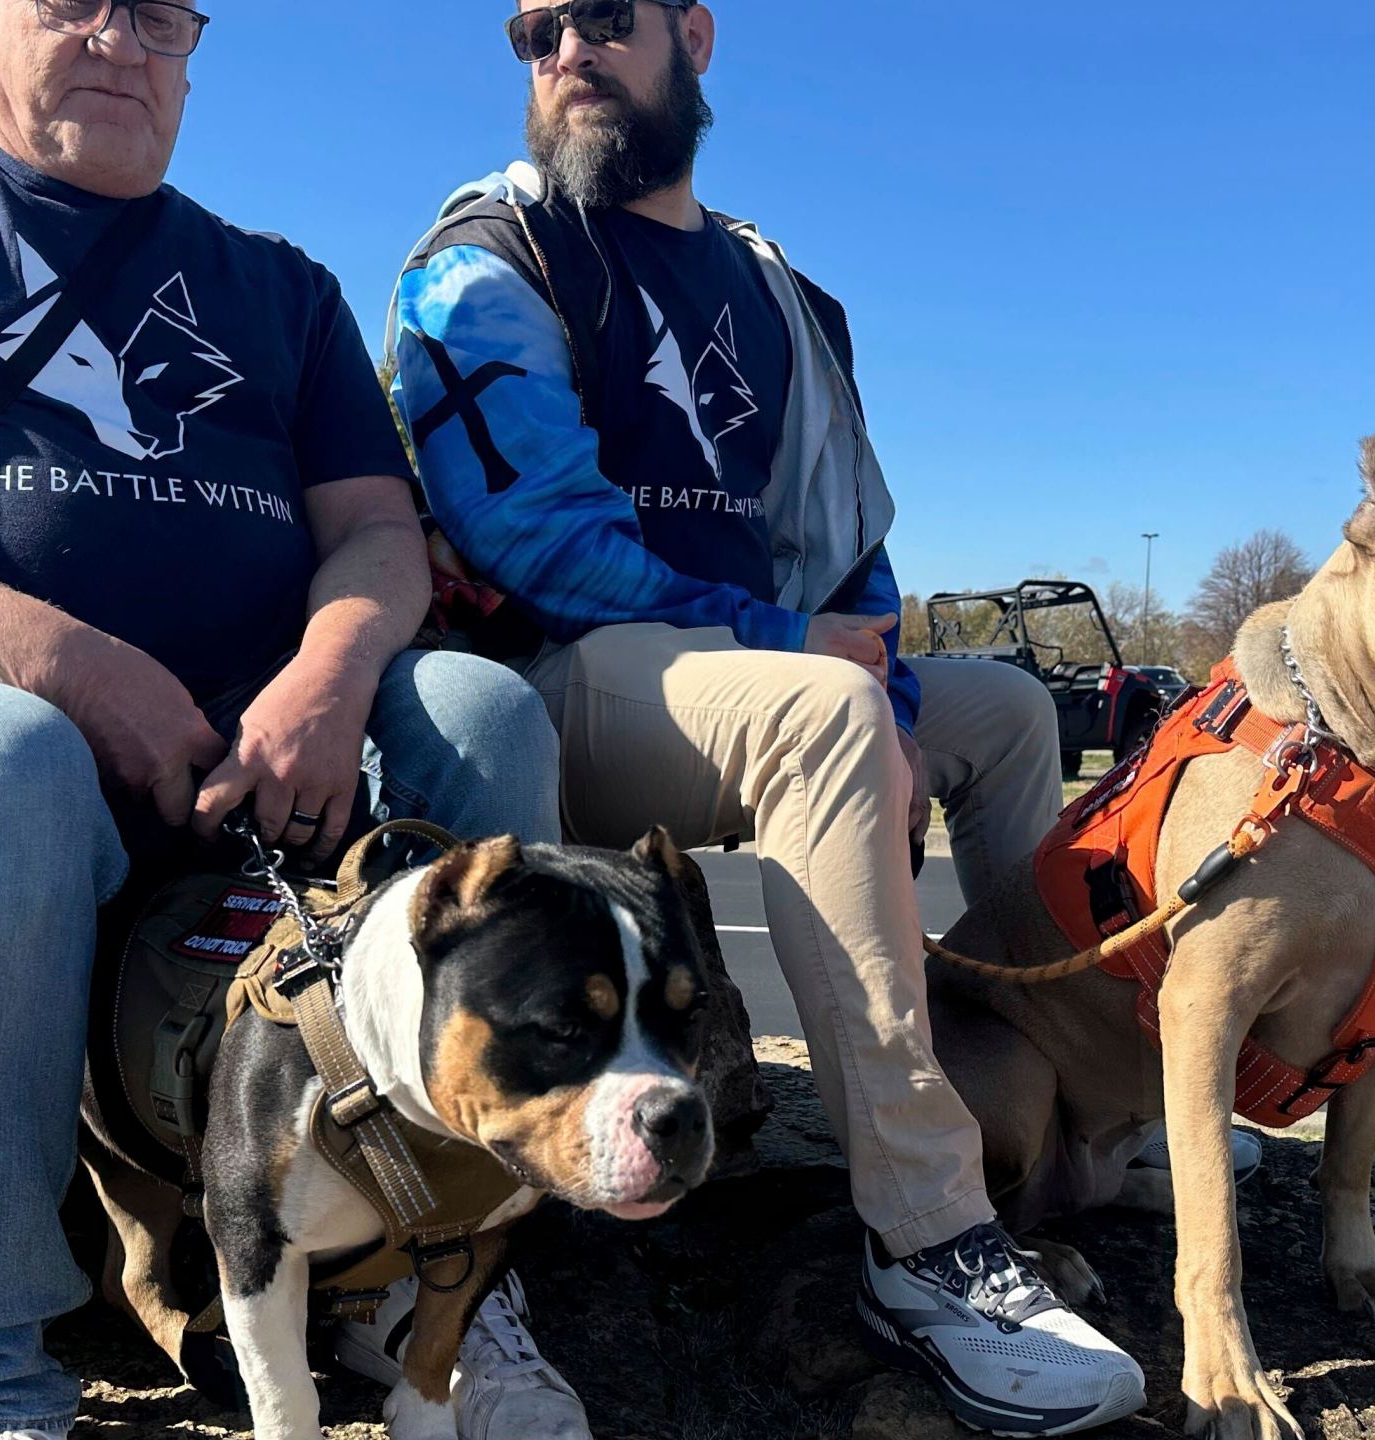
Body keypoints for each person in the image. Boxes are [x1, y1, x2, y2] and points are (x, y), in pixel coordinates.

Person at [0, 3, 560, 1437]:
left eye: (155, 14)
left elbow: (380, 539)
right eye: (70, 1)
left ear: (193, 46)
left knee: (477, 707)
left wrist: (328, 682)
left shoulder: (278, 287)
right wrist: (69, 667)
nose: (115, 39)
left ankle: (443, 1279)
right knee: (6, 763)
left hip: (261, 746)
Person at [382, 2, 1149, 1433]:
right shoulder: (484, 260)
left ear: (694, 36)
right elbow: (528, 536)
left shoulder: (780, 287)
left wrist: (892, 684)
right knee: (825, 711)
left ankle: (1066, 1097)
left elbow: (855, 547)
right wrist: (808, 654)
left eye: (603, 20)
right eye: (533, 31)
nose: (566, 55)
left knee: (1006, 712)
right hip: (572, 680)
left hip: (768, 674)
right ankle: (926, 1241)